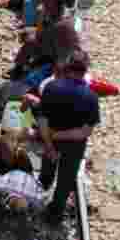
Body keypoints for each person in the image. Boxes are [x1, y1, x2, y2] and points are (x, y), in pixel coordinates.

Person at [26, 50, 99, 226]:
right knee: (65, 182)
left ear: (67, 66)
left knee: (46, 173)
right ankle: (54, 216)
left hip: (51, 140)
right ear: (85, 70)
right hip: (74, 147)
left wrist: (51, 143)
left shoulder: (52, 87)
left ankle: (35, 201)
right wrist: (62, 135)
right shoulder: (91, 97)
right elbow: (85, 132)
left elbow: (43, 120)